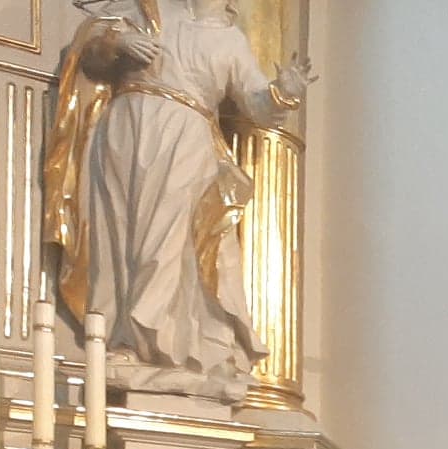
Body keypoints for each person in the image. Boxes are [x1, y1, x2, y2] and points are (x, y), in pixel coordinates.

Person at [45, 0, 314, 401]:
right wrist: (118, 42)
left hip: (186, 139)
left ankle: (153, 345)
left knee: (164, 241)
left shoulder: (230, 40)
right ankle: (119, 340)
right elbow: (91, 52)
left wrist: (283, 94)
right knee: (116, 240)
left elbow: (257, 105)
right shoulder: (149, 12)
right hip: (123, 131)